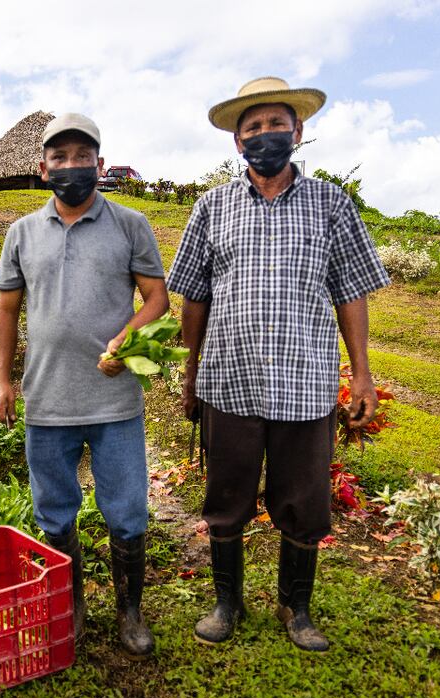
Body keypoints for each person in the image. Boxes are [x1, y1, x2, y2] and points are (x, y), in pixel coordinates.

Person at [166, 78, 390, 652]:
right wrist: (190, 373)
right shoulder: (212, 207)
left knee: (303, 499)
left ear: (299, 131)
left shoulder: (332, 204)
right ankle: (227, 601)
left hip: (306, 382)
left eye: (276, 124)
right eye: (253, 128)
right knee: (227, 496)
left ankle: (297, 608)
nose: (266, 135)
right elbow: (193, 296)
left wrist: (361, 373)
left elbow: (352, 291)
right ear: (237, 143)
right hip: (228, 377)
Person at [0, 112, 170, 658]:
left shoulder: (130, 224)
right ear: (44, 168)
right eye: (60, 158)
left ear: (99, 162)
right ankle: (71, 606)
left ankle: (130, 613)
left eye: (81, 157)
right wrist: (1, 380)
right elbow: (5, 310)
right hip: (45, 399)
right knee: (55, 510)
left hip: (115, 402)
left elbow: (157, 301)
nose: (71, 166)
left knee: (126, 511)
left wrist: (127, 341)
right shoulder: (21, 232)